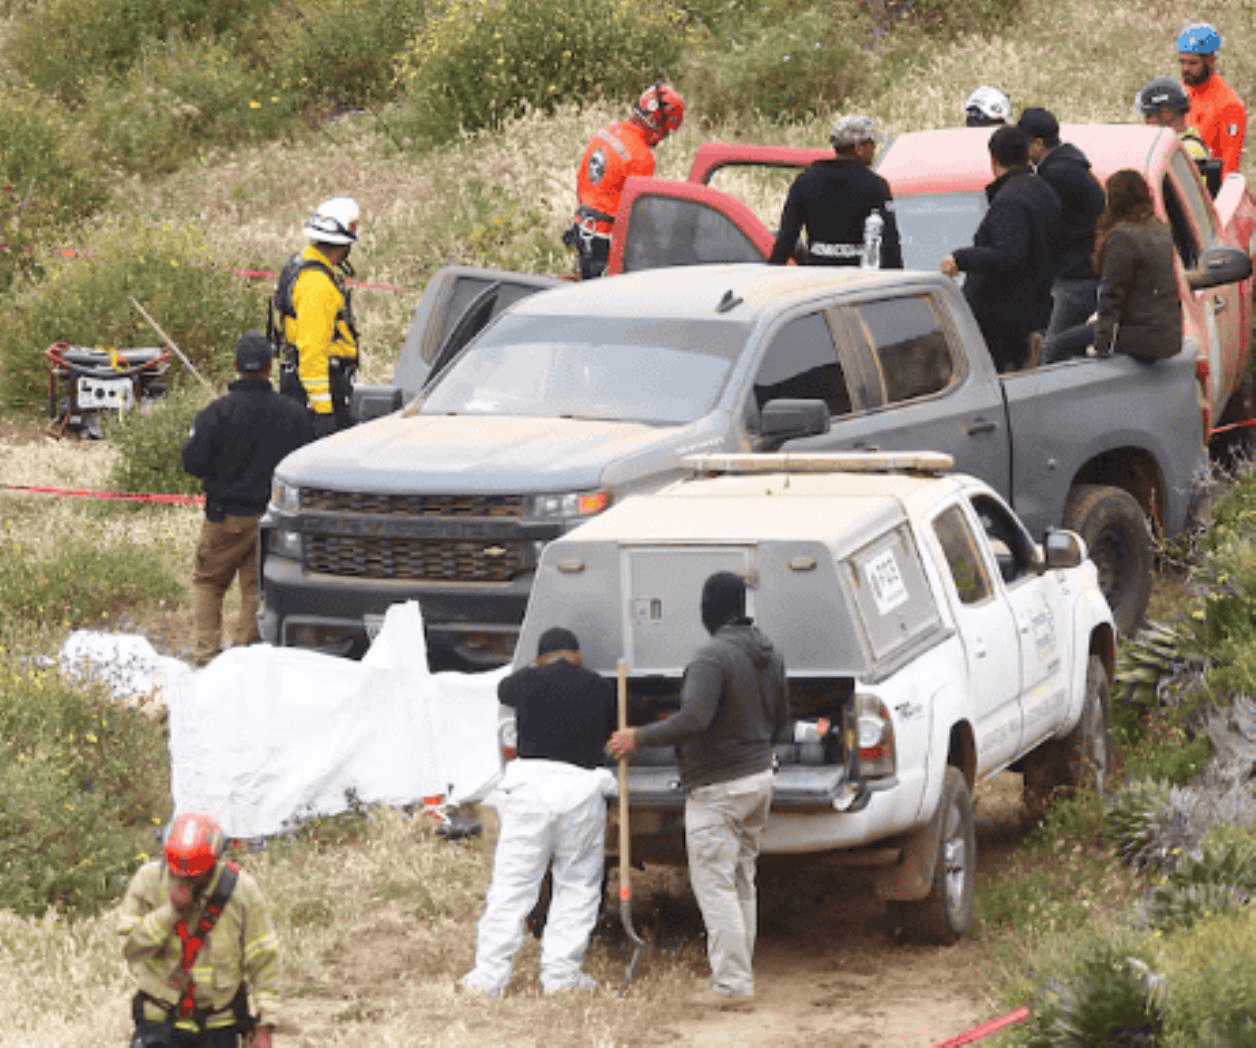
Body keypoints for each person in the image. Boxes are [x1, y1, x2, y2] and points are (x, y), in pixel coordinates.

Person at [608, 572, 789, 1006]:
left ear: (708, 608)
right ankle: (739, 976)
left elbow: (694, 720)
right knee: (742, 880)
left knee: (716, 887)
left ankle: (731, 986)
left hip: (719, 789)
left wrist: (638, 736)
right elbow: (782, 721)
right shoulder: (770, 652)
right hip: (759, 779)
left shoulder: (711, 658)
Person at [460, 627, 617, 998]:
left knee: (513, 885)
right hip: (580, 793)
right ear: (577, 656)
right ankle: (561, 976)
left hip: (530, 792)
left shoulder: (525, 682)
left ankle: (489, 977)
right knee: (577, 884)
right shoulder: (599, 685)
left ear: (539, 658)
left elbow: (503, 690)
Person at [181, 332, 314, 666]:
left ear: (235, 365)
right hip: (273, 519)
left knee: (208, 583)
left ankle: (206, 655)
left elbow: (192, 462)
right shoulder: (294, 413)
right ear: (270, 367)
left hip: (225, 518)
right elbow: (306, 463)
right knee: (256, 590)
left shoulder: (216, 414)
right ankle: (246, 658)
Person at [118, 811, 279, 1047]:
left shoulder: (242, 891)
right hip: (160, 1019)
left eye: (194, 877)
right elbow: (131, 949)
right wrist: (170, 911)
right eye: (177, 874)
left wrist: (265, 1026)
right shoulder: (148, 881)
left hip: (218, 1023)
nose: (185, 881)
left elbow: (264, 959)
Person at [941, 126, 1062, 373]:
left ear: (993, 161)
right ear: (1028, 154)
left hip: (1003, 326)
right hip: (1036, 310)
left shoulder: (1009, 201)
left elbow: (1009, 257)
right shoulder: (1043, 190)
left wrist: (961, 258)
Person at [1040, 169, 1181, 365]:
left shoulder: (1122, 237)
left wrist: (1102, 345)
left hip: (1140, 336)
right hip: (1166, 335)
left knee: (1055, 346)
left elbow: (1112, 296)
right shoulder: (1159, 230)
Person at [566, 82, 685, 279]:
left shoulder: (607, 131)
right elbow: (639, 215)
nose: (663, 138)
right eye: (666, 131)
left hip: (582, 225)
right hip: (603, 241)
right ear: (656, 122)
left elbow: (582, 177)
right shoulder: (642, 156)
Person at [269, 196, 362, 436]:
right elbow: (313, 352)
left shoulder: (304, 263)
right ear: (342, 246)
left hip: (304, 382)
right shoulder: (317, 285)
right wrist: (324, 413)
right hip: (319, 387)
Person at [766, 114, 903, 268]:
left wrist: (770, 276)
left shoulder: (805, 181)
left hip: (819, 279)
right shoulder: (876, 186)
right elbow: (890, 243)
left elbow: (787, 238)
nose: (874, 149)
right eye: (872, 143)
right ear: (859, 148)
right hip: (861, 281)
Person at [1017, 108, 1106, 338]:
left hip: (1074, 276)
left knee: (1051, 352)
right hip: (1083, 273)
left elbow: (1041, 226)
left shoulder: (1056, 175)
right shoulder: (1071, 166)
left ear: (1038, 145)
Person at [1178, 21, 1247, 176]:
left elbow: (1230, 167)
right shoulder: (1183, 91)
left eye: (1192, 63)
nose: (1185, 69)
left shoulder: (1229, 105)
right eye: (1182, 62)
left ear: (1211, 60)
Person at [1136, 75, 1209, 161]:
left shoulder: (1187, 150)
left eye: (1149, 115)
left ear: (1166, 113)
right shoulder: (1173, 146)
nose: (1147, 122)